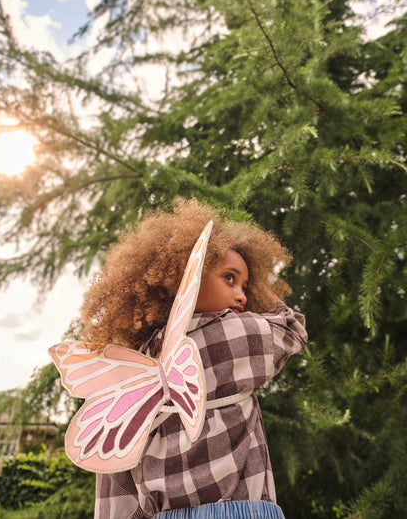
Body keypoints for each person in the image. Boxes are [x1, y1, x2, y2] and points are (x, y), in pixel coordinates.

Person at [80, 199, 308, 519]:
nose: (242, 294)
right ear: (185, 278)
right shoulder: (230, 334)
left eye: (246, 285)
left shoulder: (136, 365)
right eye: (230, 277)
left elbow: (116, 476)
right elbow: (292, 330)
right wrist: (264, 291)